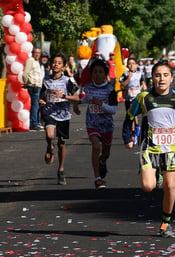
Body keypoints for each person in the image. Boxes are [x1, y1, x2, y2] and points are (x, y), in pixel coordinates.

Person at [122, 61, 175, 238]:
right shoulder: (144, 98)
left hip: (171, 149)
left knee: (170, 185)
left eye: (165, 75)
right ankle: (154, 172)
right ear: (152, 78)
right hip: (149, 149)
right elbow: (130, 116)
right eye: (157, 75)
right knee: (148, 187)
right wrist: (127, 138)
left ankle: (166, 223)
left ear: (171, 78)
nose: (161, 79)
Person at [70, 59, 118, 189]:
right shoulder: (88, 88)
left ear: (105, 74)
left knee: (106, 152)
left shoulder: (110, 90)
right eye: (95, 72)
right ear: (91, 74)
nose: (97, 75)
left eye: (100, 72)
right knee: (96, 146)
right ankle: (97, 178)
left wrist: (101, 104)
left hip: (107, 124)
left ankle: (102, 161)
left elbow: (113, 110)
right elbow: (86, 98)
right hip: (92, 122)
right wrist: (77, 104)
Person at [39, 53, 77, 185]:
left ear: (64, 66)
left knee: (61, 143)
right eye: (54, 62)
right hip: (49, 111)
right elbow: (41, 96)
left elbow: (77, 96)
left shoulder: (67, 81)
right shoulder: (46, 80)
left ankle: (61, 169)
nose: (56, 65)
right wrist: (41, 101)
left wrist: (65, 96)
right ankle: (50, 146)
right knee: (49, 135)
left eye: (59, 63)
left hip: (63, 114)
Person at [119, 57, 147, 144]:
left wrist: (145, 88)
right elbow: (122, 86)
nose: (131, 65)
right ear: (127, 65)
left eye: (133, 64)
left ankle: (136, 129)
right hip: (129, 98)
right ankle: (134, 130)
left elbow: (143, 83)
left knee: (135, 114)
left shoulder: (140, 74)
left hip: (138, 98)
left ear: (136, 65)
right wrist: (128, 78)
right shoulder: (125, 74)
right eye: (130, 64)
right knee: (130, 115)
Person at [22, 48, 43, 131]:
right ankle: (34, 123)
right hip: (33, 85)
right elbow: (25, 74)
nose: (37, 54)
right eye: (36, 53)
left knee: (36, 105)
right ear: (33, 53)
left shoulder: (36, 62)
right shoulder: (30, 60)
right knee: (35, 105)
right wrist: (27, 83)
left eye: (39, 53)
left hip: (37, 85)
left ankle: (35, 122)